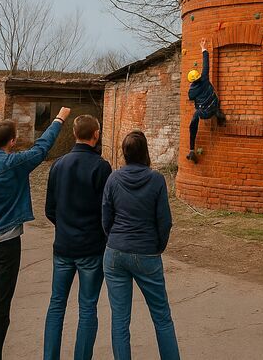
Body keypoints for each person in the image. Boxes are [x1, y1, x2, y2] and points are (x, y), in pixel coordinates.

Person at [0, 106, 70, 360]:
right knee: (1, 305)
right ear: (12, 141)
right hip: (8, 244)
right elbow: (42, 149)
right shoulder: (15, 164)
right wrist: (58, 119)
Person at [102, 130, 180, 360]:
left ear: (124, 153)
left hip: (116, 252)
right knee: (162, 317)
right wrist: (158, 247)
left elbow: (106, 217)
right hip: (146, 252)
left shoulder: (114, 178)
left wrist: (114, 238)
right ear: (145, 151)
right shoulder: (156, 179)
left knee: (119, 319)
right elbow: (164, 220)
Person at [43, 114, 112, 360]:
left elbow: (49, 208)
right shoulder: (101, 167)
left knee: (56, 305)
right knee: (87, 307)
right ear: (96, 134)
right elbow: (107, 210)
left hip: (63, 247)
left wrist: (64, 226)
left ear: (74, 134)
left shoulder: (58, 165)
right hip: (91, 249)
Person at [186, 37, 226, 163]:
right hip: (214, 105)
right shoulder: (204, 77)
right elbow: (206, 63)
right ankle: (218, 113)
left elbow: (191, 98)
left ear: (191, 81)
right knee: (213, 93)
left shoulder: (192, 91)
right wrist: (203, 48)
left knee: (193, 122)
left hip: (204, 113)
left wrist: (191, 87)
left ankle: (191, 149)